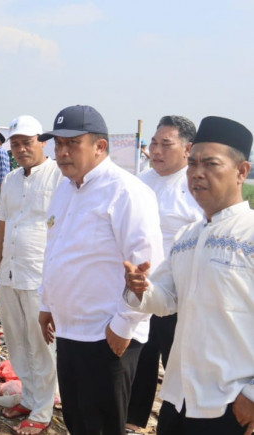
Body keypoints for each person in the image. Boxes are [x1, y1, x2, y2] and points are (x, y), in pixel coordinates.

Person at [37, 105, 163, 435]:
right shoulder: (65, 187)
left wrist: (124, 326)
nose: (62, 153)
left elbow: (147, 270)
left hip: (106, 335)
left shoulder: (127, 192)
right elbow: (55, 250)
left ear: (100, 146)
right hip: (68, 330)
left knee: (103, 427)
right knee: (77, 421)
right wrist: (46, 304)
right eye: (58, 144)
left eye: (72, 143)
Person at [123, 116, 254, 435]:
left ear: (241, 171)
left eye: (210, 164)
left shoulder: (249, 235)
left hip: (229, 403)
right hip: (179, 397)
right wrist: (140, 288)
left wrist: (251, 394)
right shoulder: (188, 236)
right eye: (193, 163)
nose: (197, 173)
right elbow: (166, 300)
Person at [0, 115, 62, 435]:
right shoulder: (11, 180)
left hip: (40, 275)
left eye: (27, 142)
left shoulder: (58, 176)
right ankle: (29, 398)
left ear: (42, 142)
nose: (21, 149)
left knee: (41, 345)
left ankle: (42, 412)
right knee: (17, 342)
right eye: (15, 144)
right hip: (11, 275)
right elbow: (2, 227)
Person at [126, 115, 203, 433]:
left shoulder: (195, 187)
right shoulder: (140, 182)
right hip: (140, 289)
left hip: (179, 294)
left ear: (187, 149)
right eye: (154, 143)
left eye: (165, 144)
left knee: (178, 364)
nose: (156, 150)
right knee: (139, 359)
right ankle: (132, 422)